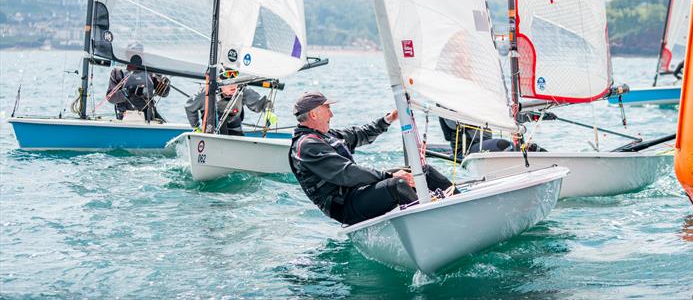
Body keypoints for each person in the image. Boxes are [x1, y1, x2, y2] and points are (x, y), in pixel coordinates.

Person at [289, 91, 456, 225]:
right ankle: (433, 225)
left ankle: (457, 202)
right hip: (344, 205)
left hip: (356, 191)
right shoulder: (306, 146)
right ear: (314, 114)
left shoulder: (325, 135)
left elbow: (359, 134)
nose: (331, 115)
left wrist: (387, 120)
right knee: (397, 184)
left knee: (422, 171)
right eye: (327, 109)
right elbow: (346, 174)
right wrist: (388, 176)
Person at [184, 74, 273, 136]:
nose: (233, 86)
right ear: (219, 81)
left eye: (235, 82)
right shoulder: (206, 93)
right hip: (210, 135)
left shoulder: (242, 91)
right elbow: (189, 107)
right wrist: (196, 127)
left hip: (235, 132)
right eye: (228, 82)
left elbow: (263, 103)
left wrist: (269, 111)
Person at [106, 45, 170, 122]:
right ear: (127, 54)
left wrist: (165, 87)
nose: (136, 54)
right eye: (133, 52)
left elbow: (163, 94)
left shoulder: (150, 70)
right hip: (126, 115)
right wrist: (129, 90)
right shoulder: (118, 72)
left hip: (148, 114)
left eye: (139, 52)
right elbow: (110, 98)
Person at [438, 117, 511, 156]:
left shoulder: (444, 105)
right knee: (505, 145)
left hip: (476, 147)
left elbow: (447, 137)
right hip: (465, 152)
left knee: (508, 145)